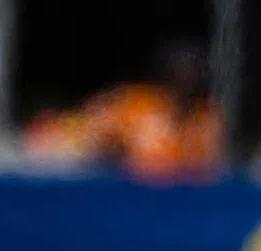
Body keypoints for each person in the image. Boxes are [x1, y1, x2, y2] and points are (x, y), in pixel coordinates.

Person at [23, 40, 221, 184]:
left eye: (192, 76)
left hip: (177, 206)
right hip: (127, 197)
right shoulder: (133, 105)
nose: (186, 83)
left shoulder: (206, 117)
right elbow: (76, 133)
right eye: (180, 74)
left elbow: (208, 169)